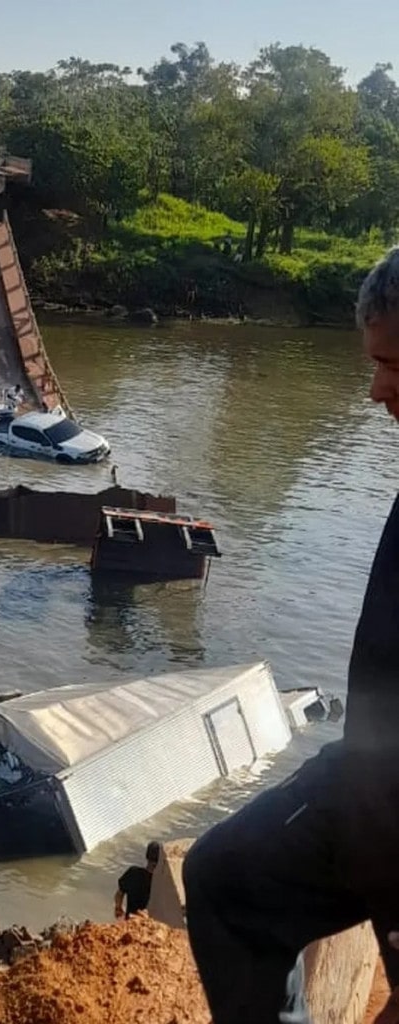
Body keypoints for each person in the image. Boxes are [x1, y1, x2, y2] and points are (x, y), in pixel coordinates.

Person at [182, 244, 399, 1024]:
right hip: (370, 784)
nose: (375, 391)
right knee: (223, 880)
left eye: (394, 368)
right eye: (375, 365)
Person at [115, 841, 161, 919]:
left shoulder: (133, 872)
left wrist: (118, 907)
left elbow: (120, 893)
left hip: (130, 922)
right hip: (148, 923)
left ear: (147, 856)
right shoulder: (161, 882)